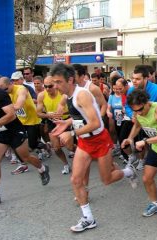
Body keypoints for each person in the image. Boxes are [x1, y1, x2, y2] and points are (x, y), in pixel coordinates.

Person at [50, 63, 137, 233]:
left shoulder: (82, 95)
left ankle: (128, 172)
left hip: (99, 139)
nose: (55, 86)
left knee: (107, 179)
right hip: (84, 141)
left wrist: (71, 133)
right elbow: (80, 117)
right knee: (76, 180)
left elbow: (96, 122)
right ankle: (88, 218)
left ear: (69, 80)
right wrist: (66, 123)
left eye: (58, 82)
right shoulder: (68, 96)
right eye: (54, 82)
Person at [0, 77, 50, 204]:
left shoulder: (0, 95)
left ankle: (42, 168)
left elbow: (11, 115)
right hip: (1, 133)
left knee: (25, 158)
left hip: (15, 131)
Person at [36, 76, 73, 174]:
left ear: (55, 85)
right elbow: (38, 113)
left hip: (65, 121)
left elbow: (73, 110)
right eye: (45, 86)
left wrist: (62, 114)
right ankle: (66, 164)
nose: (47, 89)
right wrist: (49, 114)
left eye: (50, 86)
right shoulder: (41, 95)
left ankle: (83, 155)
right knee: (56, 148)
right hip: (52, 122)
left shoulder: (63, 93)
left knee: (69, 147)